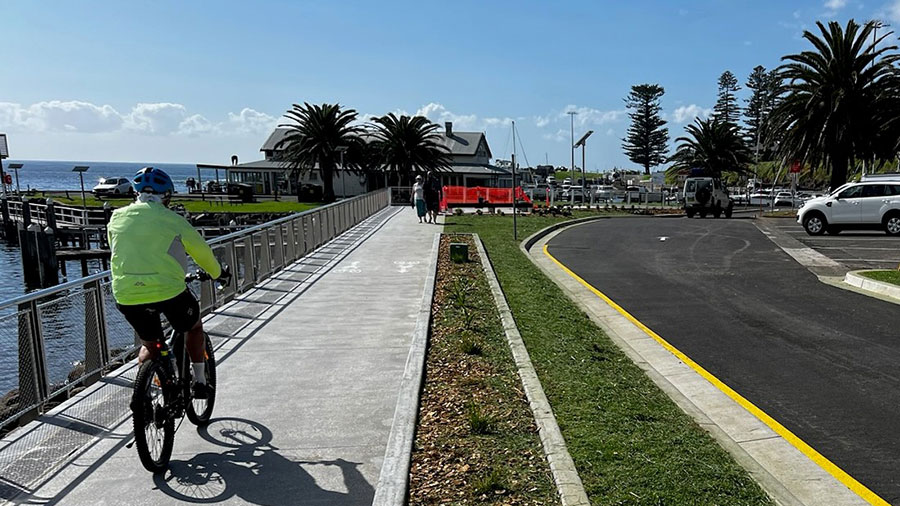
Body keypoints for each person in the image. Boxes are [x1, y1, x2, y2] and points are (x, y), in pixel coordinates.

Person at [108, 167, 230, 399]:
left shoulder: (116, 217)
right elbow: (201, 253)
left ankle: (145, 394)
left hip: (126, 293)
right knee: (193, 327)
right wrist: (218, 274)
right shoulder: (173, 220)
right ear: (167, 196)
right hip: (169, 292)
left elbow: (115, 249)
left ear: (136, 193)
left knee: (151, 344)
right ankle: (201, 382)